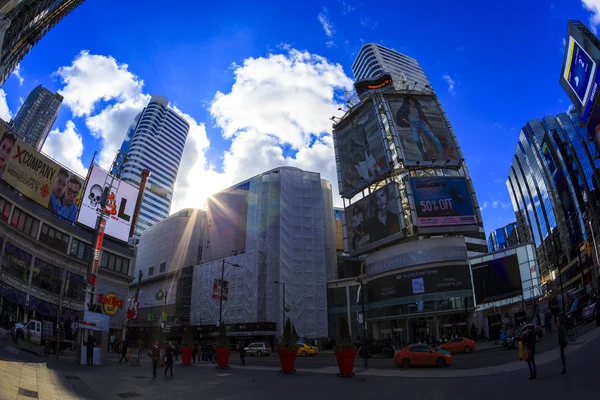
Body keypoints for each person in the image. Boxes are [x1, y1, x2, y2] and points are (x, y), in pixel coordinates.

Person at [394, 96, 444, 161]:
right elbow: (401, 117)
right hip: (414, 124)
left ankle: (442, 153)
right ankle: (423, 154)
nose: (411, 102)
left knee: (434, 137)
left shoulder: (418, 108)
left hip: (421, 123)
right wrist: (410, 124)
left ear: (414, 101)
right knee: (417, 140)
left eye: (412, 101)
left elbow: (423, 118)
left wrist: (429, 127)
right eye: (410, 102)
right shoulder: (406, 108)